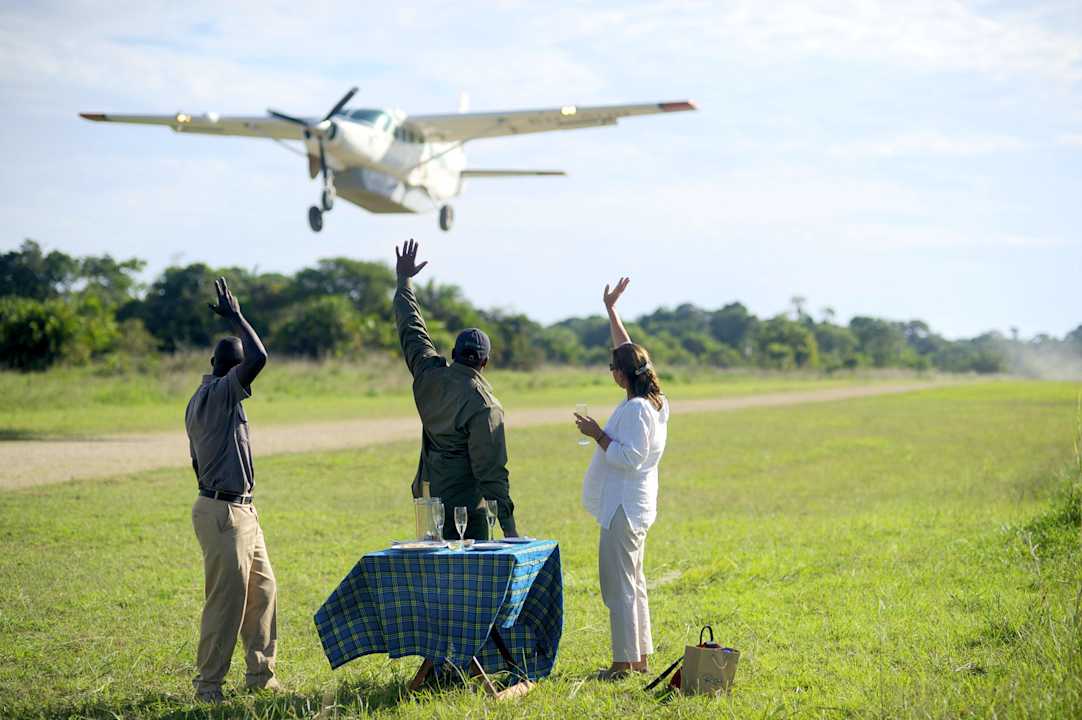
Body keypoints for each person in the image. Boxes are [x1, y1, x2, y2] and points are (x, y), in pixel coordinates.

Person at [185, 277, 278, 703]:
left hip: (239, 511)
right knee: (227, 603)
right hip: (224, 513)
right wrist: (237, 316)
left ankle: (260, 675)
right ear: (232, 369)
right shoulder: (221, 394)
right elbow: (260, 355)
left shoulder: (210, 399)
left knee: (262, 590)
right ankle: (208, 686)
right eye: (242, 369)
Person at [574, 277, 669, 680]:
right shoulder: (654, 400)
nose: (610, 369)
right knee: (635, 582)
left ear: (621, 375)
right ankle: (639, 657)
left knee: (619, 587)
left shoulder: (635, 411)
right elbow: (630, 353)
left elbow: (630, 457)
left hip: (624, 507)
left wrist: (597, 434)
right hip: (636, 506)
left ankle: (622, 664)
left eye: (613, 366)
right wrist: (612, 311)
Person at [393, 239, 519, 539]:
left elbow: (411, 328)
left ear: (453, 352)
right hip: (465, 513)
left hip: (426, 500)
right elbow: (491, 472)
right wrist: (510, 530)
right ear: (486, 361)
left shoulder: (428, 374)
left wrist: (404, 281)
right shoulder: (484, 405)